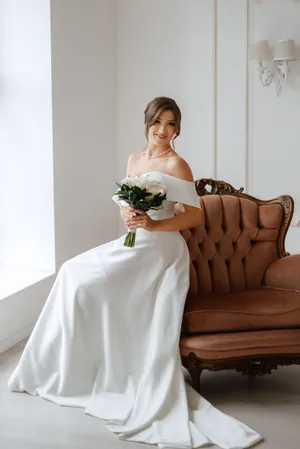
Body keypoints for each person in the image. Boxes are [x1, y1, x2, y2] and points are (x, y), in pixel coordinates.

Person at [8, 97, 262, 449]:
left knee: (84, 281)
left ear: (178, 129)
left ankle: (107, 369)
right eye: (158, 122)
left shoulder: (177, 163)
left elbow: (193, 217)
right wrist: (130, 216)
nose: (163, 131)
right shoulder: (134, 159)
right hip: (134, 241)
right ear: (147, 122)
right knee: (71, 273)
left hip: (161, 248)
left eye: (171, 124)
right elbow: (128, 207)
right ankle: (65, 371)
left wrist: (153, 225)